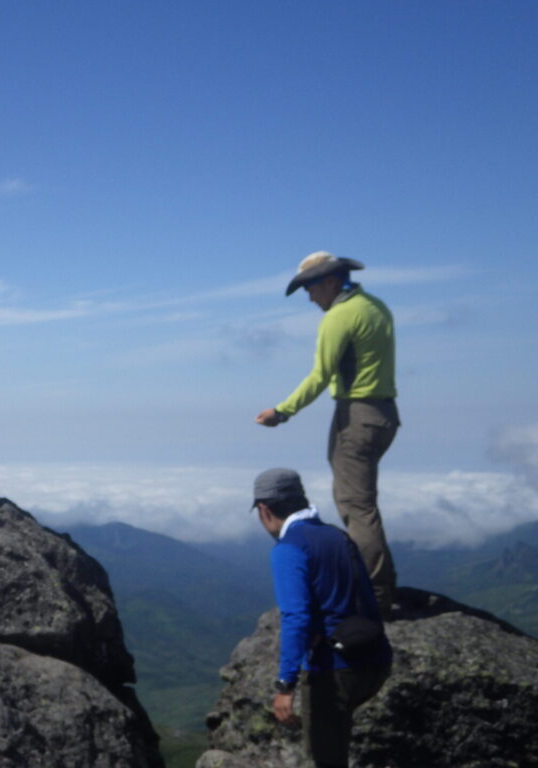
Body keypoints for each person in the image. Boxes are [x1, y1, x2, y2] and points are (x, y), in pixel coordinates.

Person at [255, 251, 399, 616]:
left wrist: (282, 411)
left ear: (331, 281)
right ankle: (381, 585)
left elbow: (321, 375)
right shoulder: (374, 306)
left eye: (310, 287)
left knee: (356, 506)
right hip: (384, 413)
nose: (309, 297)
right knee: (362, 502)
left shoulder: (339, 316)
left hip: (357, 415)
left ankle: (374, 596)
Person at [253, 467, 392, 768]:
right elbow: (365, 598)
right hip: (376, 659)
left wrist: (285, 685)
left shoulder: (288, 549)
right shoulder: (338, 536)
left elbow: (296, 617)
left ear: (264, 510)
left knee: (326, 759)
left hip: (334, 669)